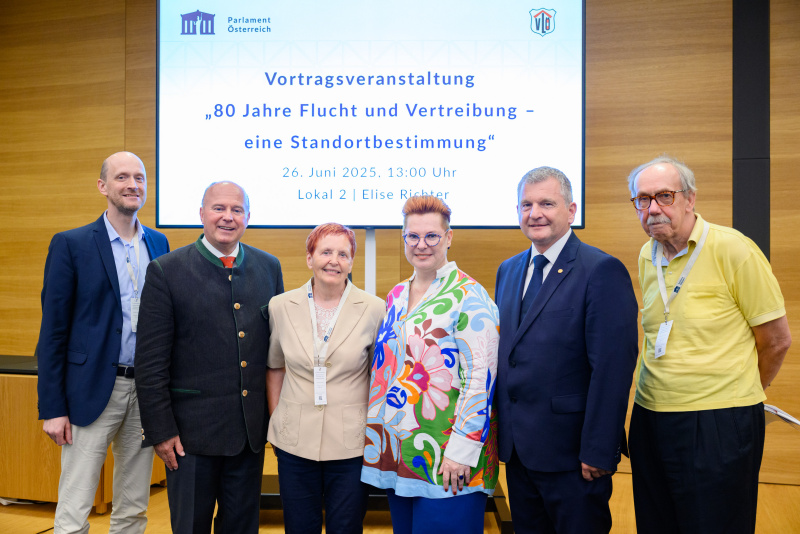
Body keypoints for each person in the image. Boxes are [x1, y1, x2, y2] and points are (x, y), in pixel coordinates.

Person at [626, 155, 792, 534]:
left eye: (664, 196)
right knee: (657, 523)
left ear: (690, 199)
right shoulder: (646, 255)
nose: (653, 208)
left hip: (719, 421)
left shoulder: (734, 249)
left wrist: (743, 392)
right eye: (643, 199)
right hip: (650, 415)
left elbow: (777, 341)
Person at [495, 166, 639, 534]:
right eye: (526, 204)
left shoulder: (601, 270)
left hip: (574, 456)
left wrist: (600, 448)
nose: (535, 213)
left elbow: (613, 367)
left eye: (547, 203)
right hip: (519, 453)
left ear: (571, 210)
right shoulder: (508, 270)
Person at [134, 181, 284, 533]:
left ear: (248, 217)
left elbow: (276, 353)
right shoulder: (165, 271)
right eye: (218, 208)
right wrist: (161, 431)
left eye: (237, 210)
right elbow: (151, 363)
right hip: (189, 439)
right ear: (201, 214)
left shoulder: (268, 267)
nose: (227, 217)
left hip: (248, 435)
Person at [36, 151, 170, 533]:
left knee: (133, 507)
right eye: (122, 177)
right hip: (89, 391)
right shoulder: (72, 244)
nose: (133, 185)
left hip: (144, 391)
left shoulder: (158, 244)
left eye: (140, 178)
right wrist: (53, 408)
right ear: (103, 186)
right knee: (76, 506)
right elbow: (53, 332)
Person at [361, 195, 500, 534]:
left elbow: (480, 379)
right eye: (413, 236)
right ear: (404, 238)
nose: (421, 245)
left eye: (432, 236)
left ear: (448, 238)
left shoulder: (470, 295)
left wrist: (461, 452)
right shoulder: (395, 295)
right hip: (401, 457)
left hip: (450, 459)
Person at [266, 223, 385, 533]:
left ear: (351, 261)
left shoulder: (375, 309)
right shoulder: (280, 307)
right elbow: (275, 367)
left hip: (352, 445)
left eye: (343, 254)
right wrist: (279, 417)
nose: (334, 260)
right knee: (298, 525)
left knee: (345, 526)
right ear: (310, 258)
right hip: (294, 442)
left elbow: (379, 376)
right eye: (326, 252)